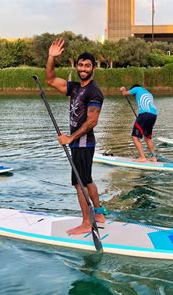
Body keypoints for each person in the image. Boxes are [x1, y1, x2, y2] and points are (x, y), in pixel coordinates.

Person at [45, 38, 105, 235]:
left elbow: (92, 121)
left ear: (93, 68)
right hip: (79, 144)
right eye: (81, 65)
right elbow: (51, 79)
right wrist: (51, 58)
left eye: (87, 65)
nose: (83, 68)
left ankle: (87, 222)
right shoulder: (76, 88)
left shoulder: (94, 92)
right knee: (87, 180)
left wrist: (71, 138)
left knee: (79, 184)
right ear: (77, 67)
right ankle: (99, 214)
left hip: (82, 144)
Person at [120, 84, 158, 162]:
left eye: (133, 94)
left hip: (144, 114)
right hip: (153, 115)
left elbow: (124, 93)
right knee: (147, 137)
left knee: (135, 136)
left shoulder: (137, 88)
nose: (134, 96)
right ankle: (154, 158)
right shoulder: (149, 93)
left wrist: (123, 89)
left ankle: (142, 157)